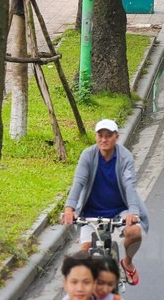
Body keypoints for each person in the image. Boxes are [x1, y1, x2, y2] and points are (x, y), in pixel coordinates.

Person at [62, 120, 149, 287]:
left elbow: (130, 186)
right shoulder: (88, 155)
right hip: (90, 212)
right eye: (100, 136)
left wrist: (132, 211)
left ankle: (128, 263)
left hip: (119, 210)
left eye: (108, 136)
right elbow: (79, 182)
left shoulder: (125, 157)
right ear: (95, 137)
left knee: (135, 232)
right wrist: (69, 208)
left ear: (116, 137)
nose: (104, 140)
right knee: (85, 253)